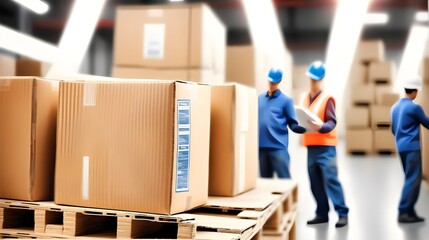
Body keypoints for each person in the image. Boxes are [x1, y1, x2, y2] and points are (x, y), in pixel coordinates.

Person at [300, 61, 349, 228]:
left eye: (315, 79)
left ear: (321, 79)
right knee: (315, 182)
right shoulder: (303, 97)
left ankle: (342, 214)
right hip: (311, 147)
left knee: (331, 181)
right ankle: (321, 213)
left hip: (326, 148)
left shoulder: (327, 99)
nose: (312, 81)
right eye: (311, 78)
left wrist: (321, 127)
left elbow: (332, 122)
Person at [391, 75, 429, 223]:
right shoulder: (415, 108)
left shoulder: (394, 107)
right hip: (412, 148)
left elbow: (394, 129)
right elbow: (427, 123)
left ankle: (410, 211)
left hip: (400, 147)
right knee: (413, 179)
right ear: (415, 91)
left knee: (410, 178)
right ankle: (403, 211)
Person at [258, 68, 306, 179]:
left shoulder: (286, 100)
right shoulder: (260, 98)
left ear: (279, 82)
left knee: (285, 180)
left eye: (274, 82)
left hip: (278, 148)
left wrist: (304, 129)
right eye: (270, 81)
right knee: (265, 182)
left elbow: (292, 123)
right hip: (262, 148)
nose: (271, 84)